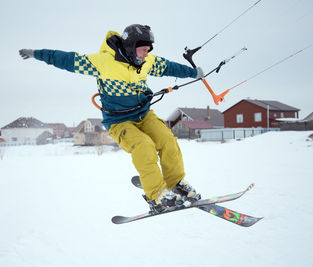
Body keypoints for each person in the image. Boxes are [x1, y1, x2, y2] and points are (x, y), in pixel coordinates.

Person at [19, 24, 203, 213]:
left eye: (149, 51)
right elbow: (67, 60)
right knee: (144, 146)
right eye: (144, 50)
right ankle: (156, 196)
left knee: (166, 139)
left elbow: (169, 67)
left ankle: (176, 183)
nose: (147, 54)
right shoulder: (103, 62)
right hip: (119, 121)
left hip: (144, 114)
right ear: (132, 46)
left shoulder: (146, 61)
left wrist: (193, 72)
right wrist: (36, 53)